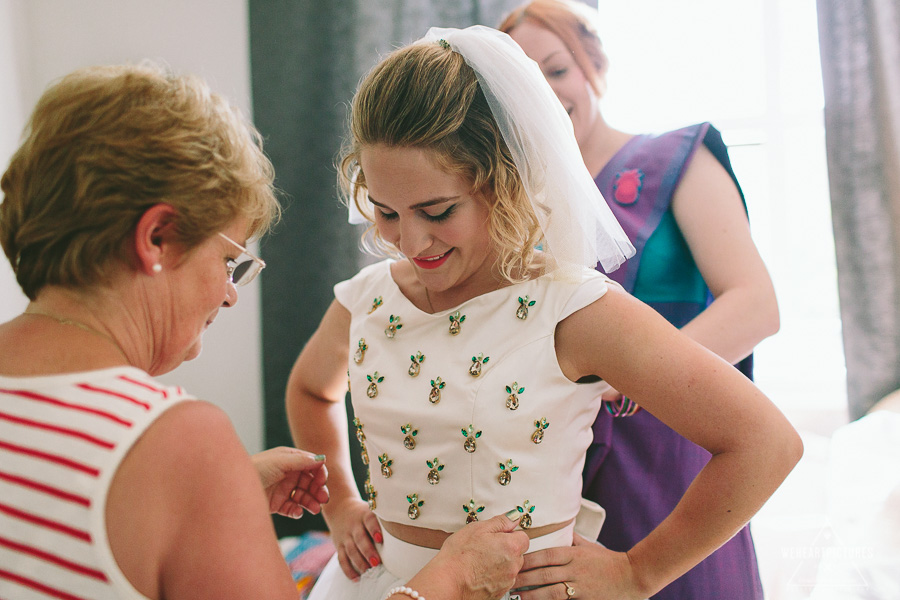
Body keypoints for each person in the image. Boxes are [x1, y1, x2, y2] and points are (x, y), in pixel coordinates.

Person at [286, 25, 801, 600]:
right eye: (386, 213)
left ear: (501, 181)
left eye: (437, 211)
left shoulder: (572, 308)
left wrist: (639, 571)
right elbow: (311, 390)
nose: (411, 241)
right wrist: (341, 505)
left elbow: (767, 442)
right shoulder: (366, 296)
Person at [0, 62, 527, 600]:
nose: (230, 293)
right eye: (229, 260)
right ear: (155, 238)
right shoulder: (177, 441)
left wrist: (218, 497)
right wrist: (450, 582)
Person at [498, 1, 780, 597]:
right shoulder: (509, 205)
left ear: (592, 66)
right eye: (524, 84)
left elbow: (755, 304)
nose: (546, 96)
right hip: (560, 473)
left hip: (670, 458)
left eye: (557, 70)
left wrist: (643, 372)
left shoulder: (677, 158)